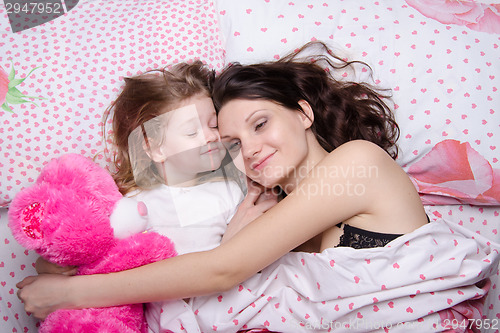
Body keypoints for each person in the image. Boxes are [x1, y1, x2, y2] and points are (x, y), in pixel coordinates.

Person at [17, 41, 429, 324]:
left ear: (303, 113)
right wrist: (67, 264)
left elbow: (221, 269)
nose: (248, 150)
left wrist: (70, 294)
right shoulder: (270, 202)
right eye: (232, 141)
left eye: (260, 124)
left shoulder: (356, 162)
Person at [33, 61, 277, 332]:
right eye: (191, 131)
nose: (210, 137)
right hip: (168, 318)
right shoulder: (134, 203)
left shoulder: (229, 187)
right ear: (154, 148)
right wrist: (50, 267)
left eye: (212, 125)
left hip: (228, 307)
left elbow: (252, 245)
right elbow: (86, 248)